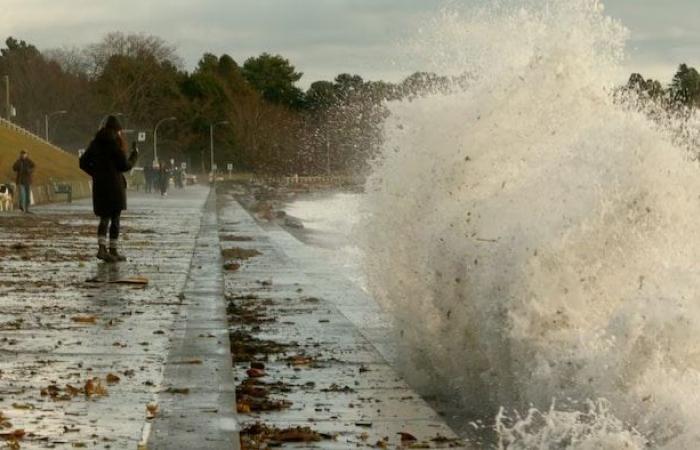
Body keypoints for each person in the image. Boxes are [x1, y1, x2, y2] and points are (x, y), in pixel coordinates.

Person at [79, 116, 138, 262]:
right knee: (115, 219)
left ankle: (102, 249)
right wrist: (134, 155)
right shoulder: (114, 144)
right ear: (116, 130)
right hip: (115, 186)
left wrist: (96, 173)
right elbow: (124, 166)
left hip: (100, 186)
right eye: (119, 131)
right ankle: (113, 249)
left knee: (104, 218)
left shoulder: (95, 143)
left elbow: (83, 162)